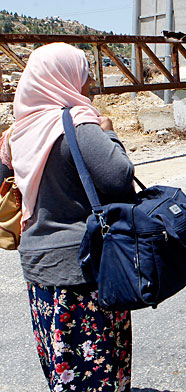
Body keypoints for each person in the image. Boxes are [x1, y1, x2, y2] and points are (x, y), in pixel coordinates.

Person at [7, 43, 135, 390]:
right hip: (81, 269)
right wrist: (109, 133)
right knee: (99, 370)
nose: (90, 83)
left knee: (63, 366)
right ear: (65, 78)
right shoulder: (77, 123)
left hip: (38, 268)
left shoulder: (19, 131)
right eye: (85, 74)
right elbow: (119, 179)